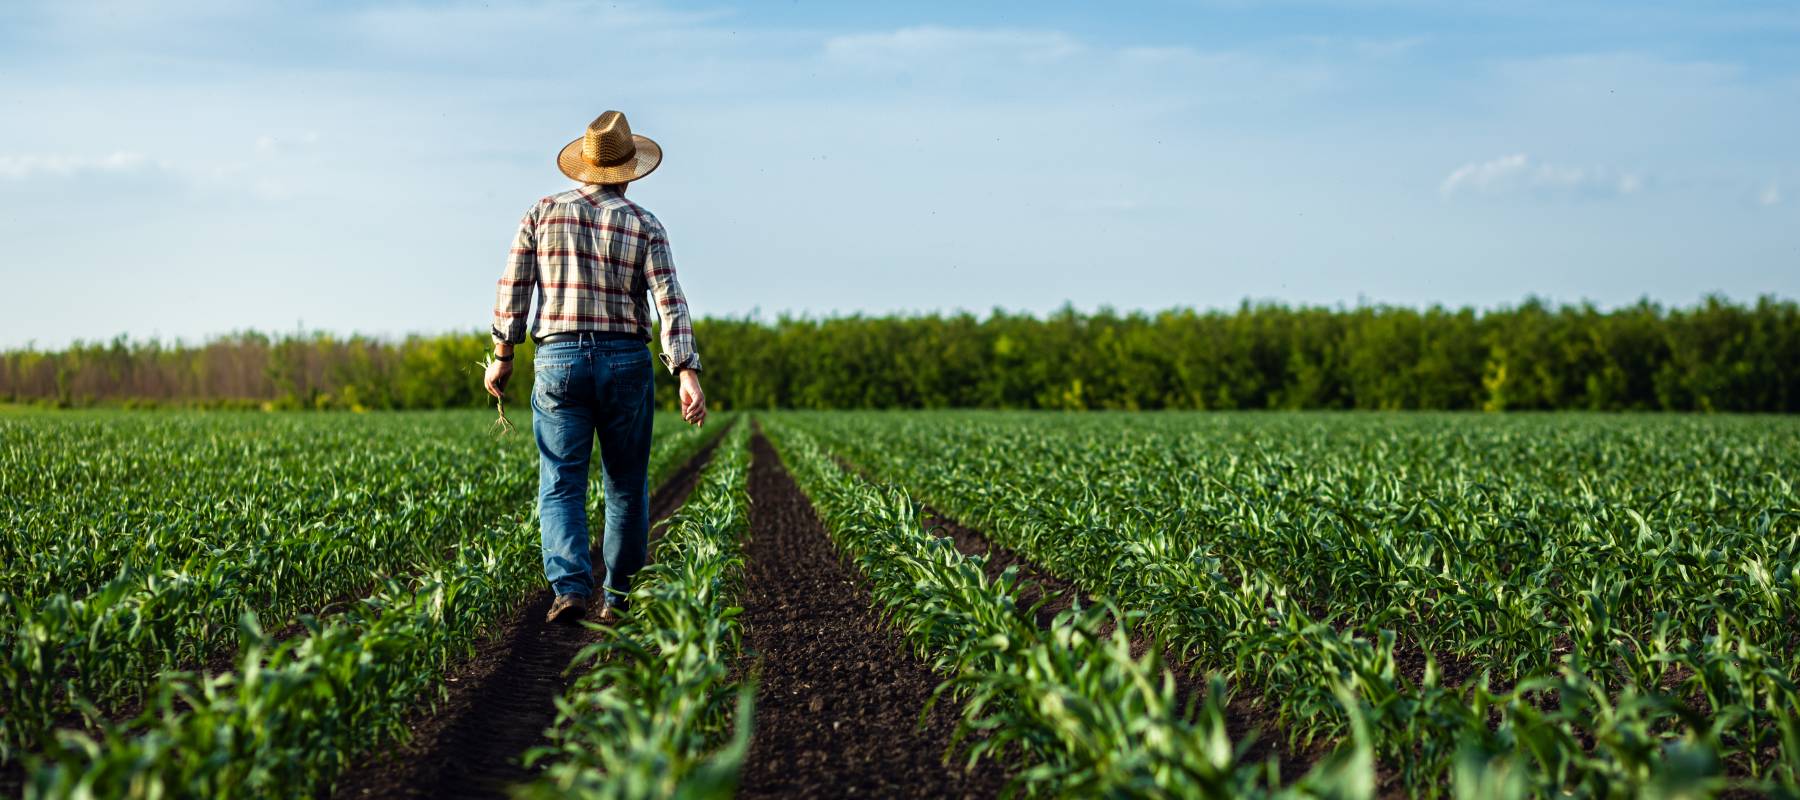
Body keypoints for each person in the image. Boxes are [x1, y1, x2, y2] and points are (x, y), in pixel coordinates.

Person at [483, 110, 707, 625]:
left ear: (582, 165)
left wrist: (502, 356)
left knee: (561, 479)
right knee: (625, 483)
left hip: (558, 359)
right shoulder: (645, 223)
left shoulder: (541, 212)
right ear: (628, 170)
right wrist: (686, 371)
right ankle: (620, 599)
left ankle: (570, 589)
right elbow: (670, 301)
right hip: (626, 358)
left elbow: (512, 288)